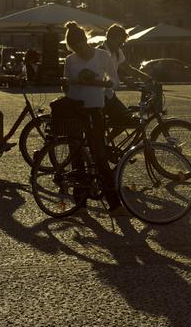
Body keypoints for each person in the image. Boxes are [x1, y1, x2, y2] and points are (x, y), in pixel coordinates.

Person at [64, 22, 125, 215]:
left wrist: (100, 83)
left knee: (99, 156)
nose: (78, 51)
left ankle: (114, 205)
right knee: (77, 157)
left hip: (95, 109)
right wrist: (69, 82)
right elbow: (65, 86)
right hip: (74, 109)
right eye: (74, 49)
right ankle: (79, 203)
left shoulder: (103, 56)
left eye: (80, 47)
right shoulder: (70, 60)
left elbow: (115, 82)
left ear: (86, 40)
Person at [99, 24, 150, 133]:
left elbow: (127, 68)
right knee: (124, 119)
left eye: (122, 42)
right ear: (110, 38)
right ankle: (103, 146)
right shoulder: (100, 52)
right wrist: (126, 81)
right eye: (119, 42)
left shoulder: (117, 52)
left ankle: (107, 144)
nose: (121, 45)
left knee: (124, 120)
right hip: (99, 96)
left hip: (109, 94)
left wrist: (147, 78)